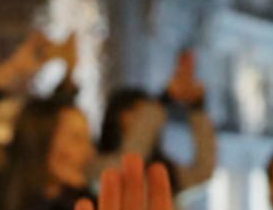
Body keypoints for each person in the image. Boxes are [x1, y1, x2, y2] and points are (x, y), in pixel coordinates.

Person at [92, 50, 217, 199]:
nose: (144, 123)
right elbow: (131, 161)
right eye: (136, 113)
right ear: (116, 116)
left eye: (145, 116)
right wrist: (165, 99)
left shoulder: (161, 169)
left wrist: (197, 108)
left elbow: (202, 171)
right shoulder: (99, 165)